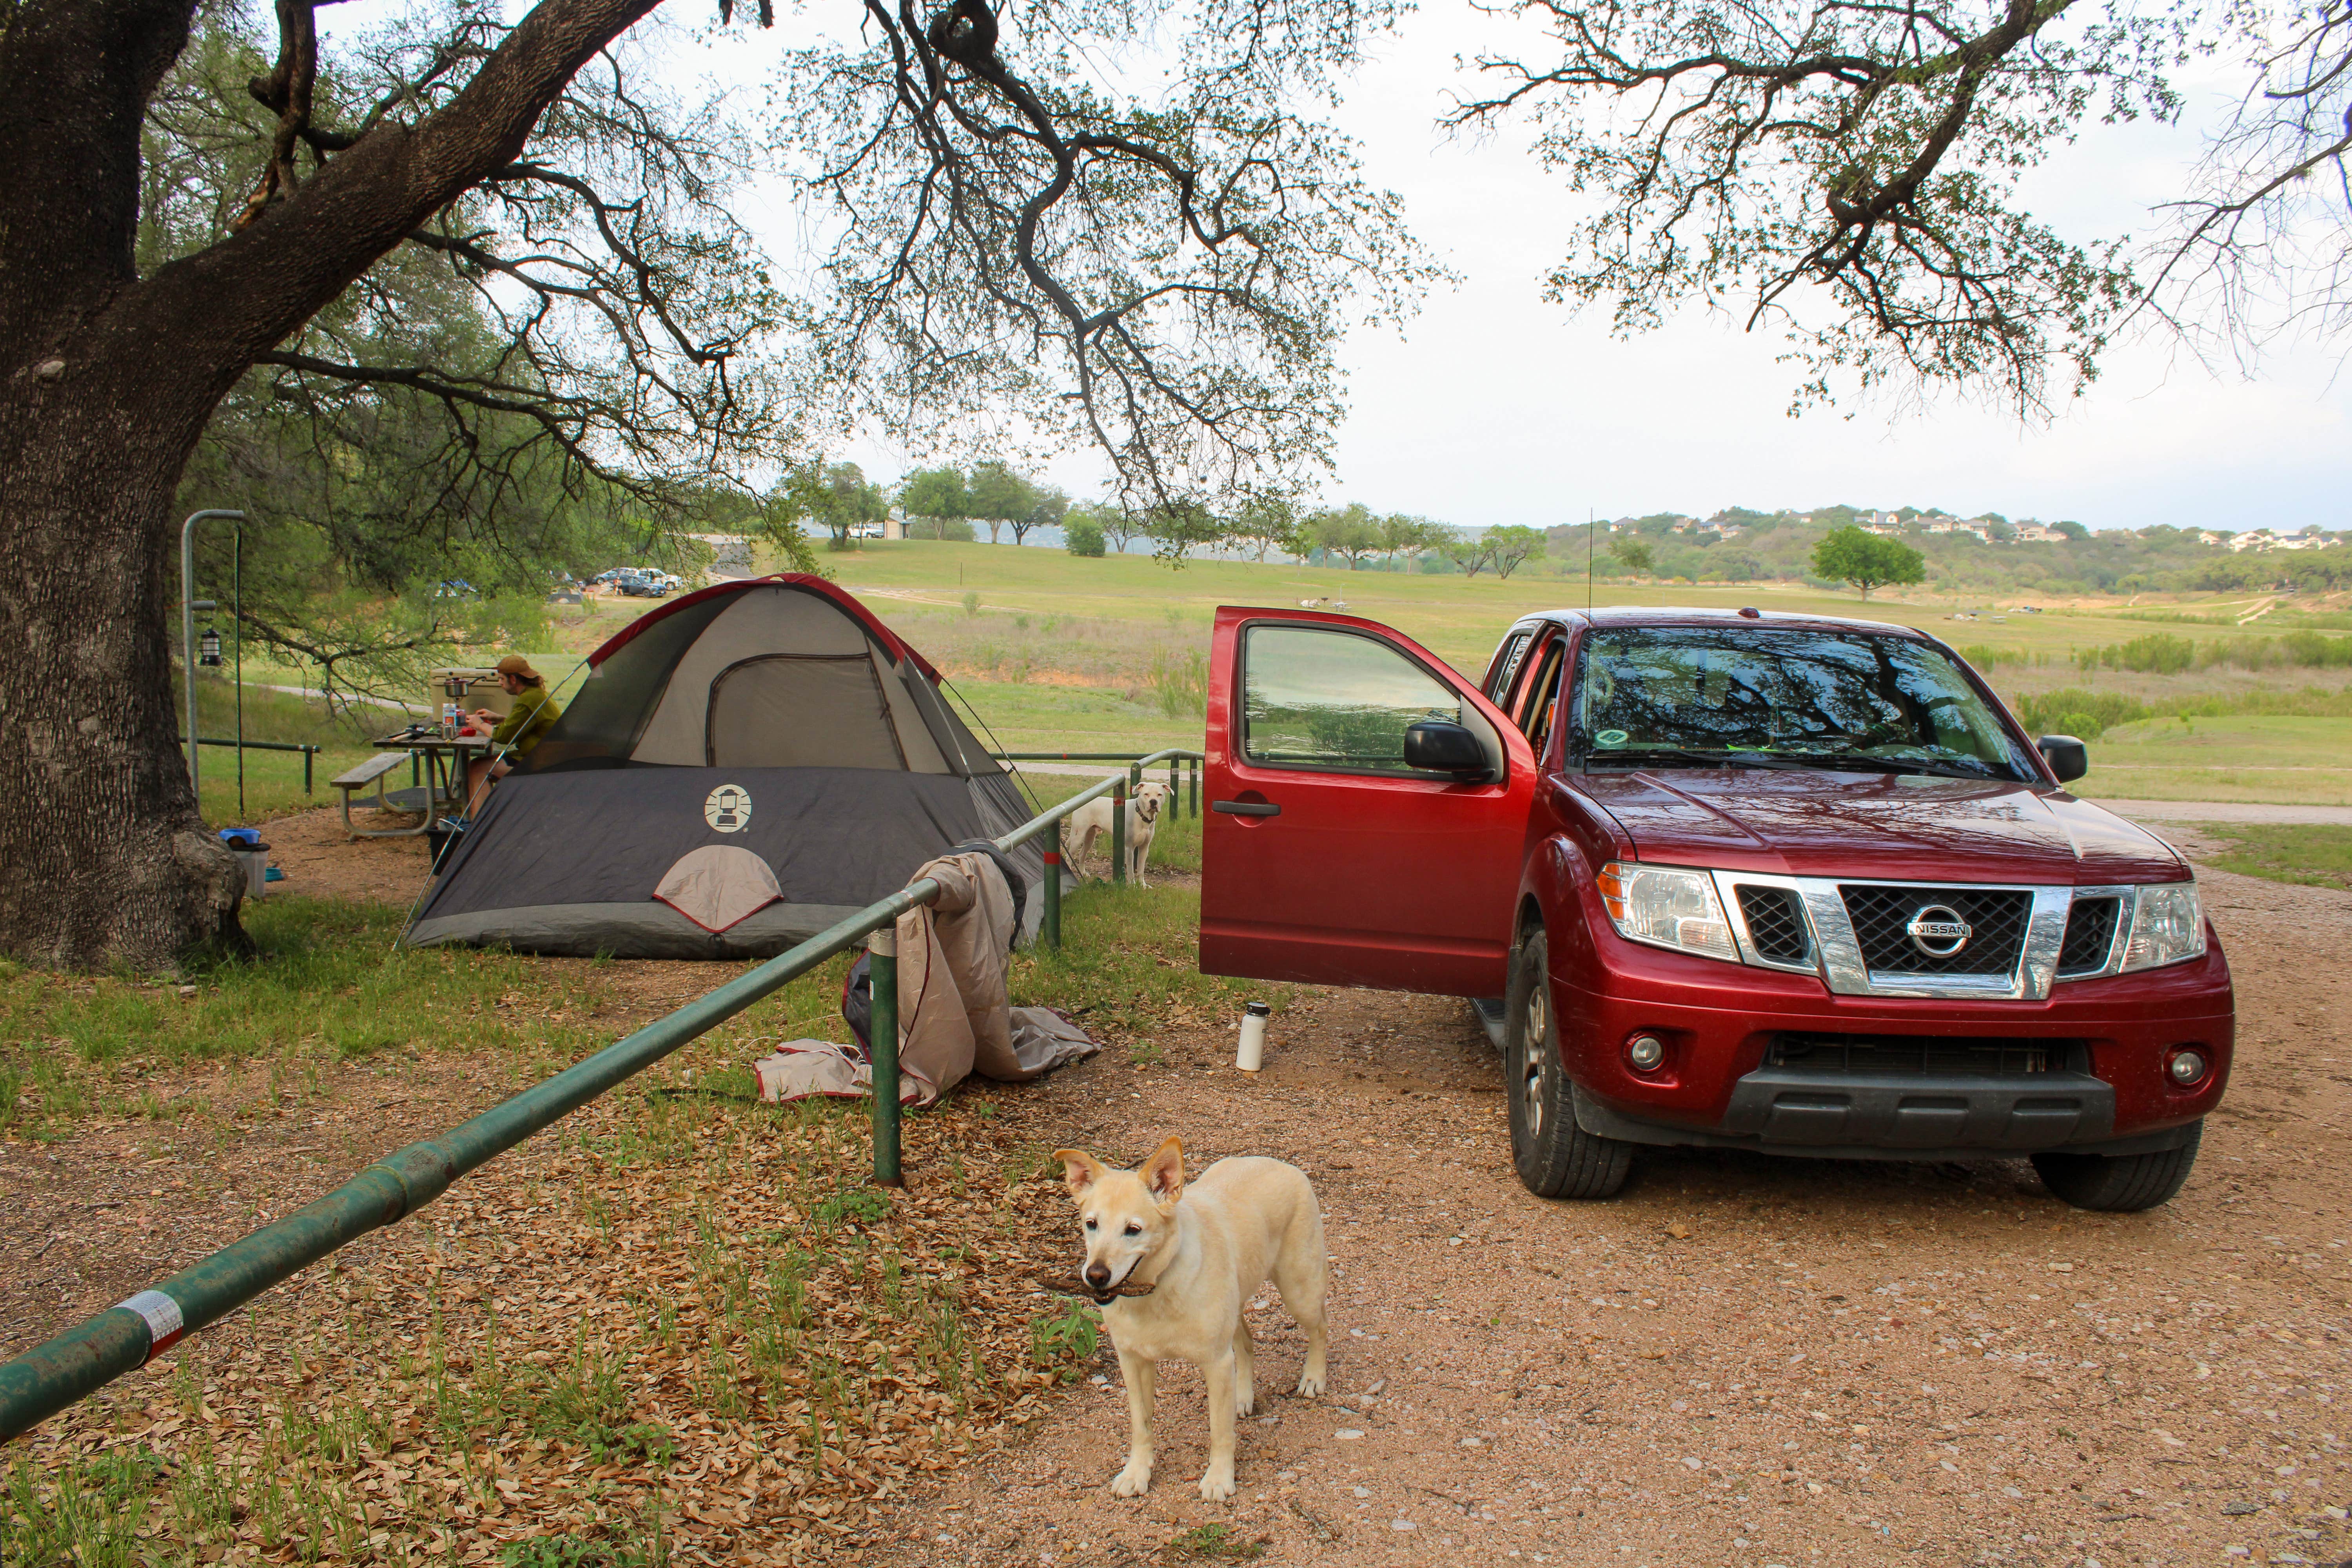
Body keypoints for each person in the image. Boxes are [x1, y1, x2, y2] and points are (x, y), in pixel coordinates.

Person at [463, 654, 561, 805]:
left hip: (542, 764)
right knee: (479, 765)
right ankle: (483, 819)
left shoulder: (527, 700)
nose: (500, 683)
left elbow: (502, 736)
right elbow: (525, 726)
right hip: (541, 756)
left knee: (478, 769)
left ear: (513, 680)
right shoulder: (535, 694)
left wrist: (479, 725)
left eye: (502, 679)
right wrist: (499, 718)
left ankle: (481, 825)